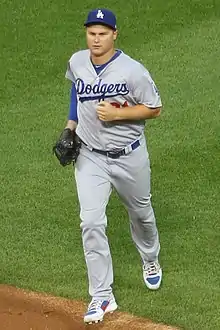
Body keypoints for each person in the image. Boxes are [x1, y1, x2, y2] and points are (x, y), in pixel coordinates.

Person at [63, 8, 163, 324]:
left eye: (103, 33)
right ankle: (102, 295)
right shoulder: (77, 61)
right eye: (92, 33)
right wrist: (69, 126)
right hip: (90, 156)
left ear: (114, 34)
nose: (96, 38)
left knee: (141, 213)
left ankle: (150, 258)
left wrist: (119, 115)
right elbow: (76, 92)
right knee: (91, 222)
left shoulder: (132, 71)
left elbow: (154, 108)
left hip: (129, 155)